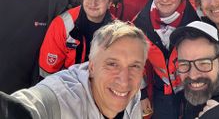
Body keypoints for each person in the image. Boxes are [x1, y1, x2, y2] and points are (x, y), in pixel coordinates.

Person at [0, 20, 149, 119]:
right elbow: (30, 105)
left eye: (134, 66)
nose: (124, 81)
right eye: (112, 64)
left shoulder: (132, 95)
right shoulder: (61, 99)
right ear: (91, 67)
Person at [133, 0, 199, 118]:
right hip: (160, 93)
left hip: (191, 93)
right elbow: (137, 62)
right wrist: (142, 94)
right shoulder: (140, 23)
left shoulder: (195, 22)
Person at [39, 0, 114, 78]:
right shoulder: (63, 24)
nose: (93, 3)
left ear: (109, 3)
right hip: (68, 86)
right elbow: (48, 72)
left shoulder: (117, 30)